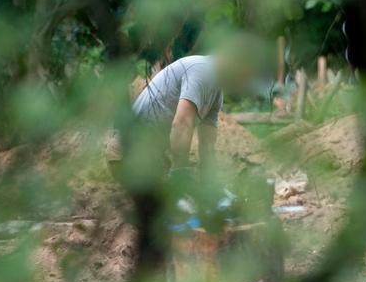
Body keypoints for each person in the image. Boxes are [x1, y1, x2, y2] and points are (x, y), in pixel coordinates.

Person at [108, 34, 267, 184]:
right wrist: (181, 171)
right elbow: (182, 123)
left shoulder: (216, 92)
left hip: (150, 158)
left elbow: (207, 146)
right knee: (177, 203)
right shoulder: (203, 71)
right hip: (128, 156)